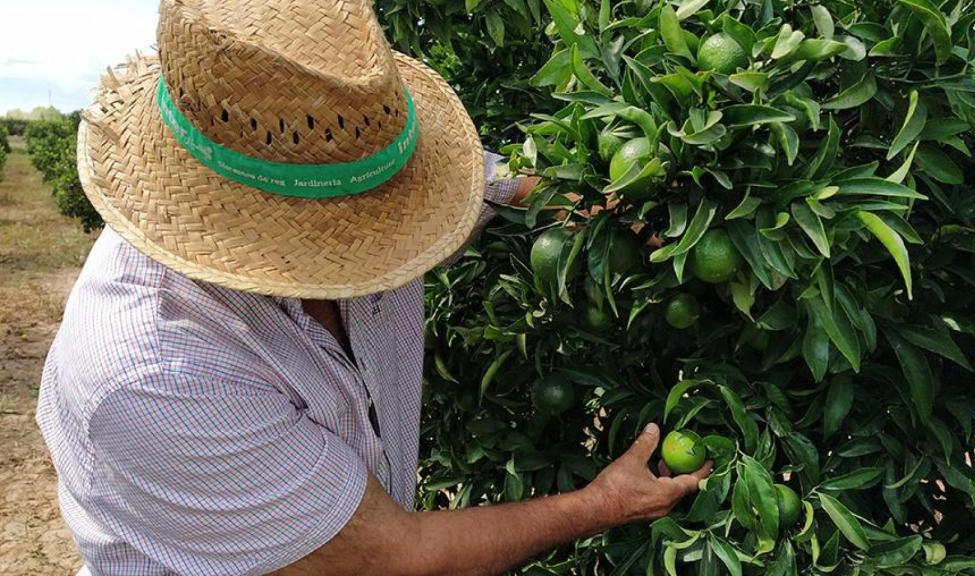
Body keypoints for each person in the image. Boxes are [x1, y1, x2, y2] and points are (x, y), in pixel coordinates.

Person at [36, 1, 712, 574]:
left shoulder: (347, 150)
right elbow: (392, 557)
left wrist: (593, 201)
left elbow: (492, 182)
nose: (371, 229)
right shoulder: (157, 377)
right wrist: (600, 506)